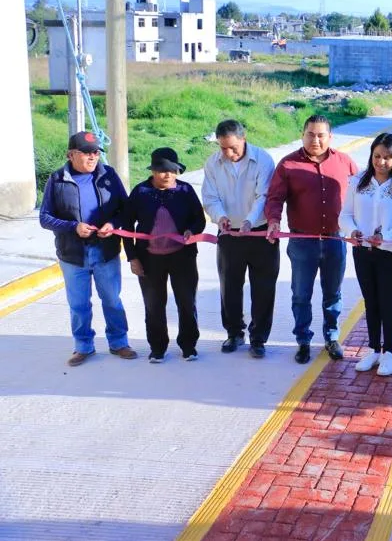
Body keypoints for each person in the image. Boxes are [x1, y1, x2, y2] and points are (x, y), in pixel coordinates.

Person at [266, 114, 359, 364]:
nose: (315, 140)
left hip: (335, 240)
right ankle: (303, 341)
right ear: (302, 134)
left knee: (333, 294)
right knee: (301, 294)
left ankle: (331, 337)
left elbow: (362, 194)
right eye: (310, 134)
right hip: (302, 242)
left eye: (321, 135)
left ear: (330, 137)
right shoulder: (288, 165)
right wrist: (273, 220)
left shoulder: (345, 162)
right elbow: (274, 198)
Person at [39, 131, 136, 367]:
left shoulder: (108, 175)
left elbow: (126, 210)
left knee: (112, 299)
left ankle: (119, 342)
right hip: (73, 255)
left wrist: (112, 224)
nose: (93, 157)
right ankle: (83, 346)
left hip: (105, 252)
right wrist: (73, 227)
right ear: (70, 155)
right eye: (86, 153)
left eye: (95, 152)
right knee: (79, 304)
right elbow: (45, 218)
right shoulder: (57, 179)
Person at [202, 119, 278, 359]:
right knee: (230, 286)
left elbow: (263, 195)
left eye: (233, 147)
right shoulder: (213, 164)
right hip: (229, 234)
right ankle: (234, 332)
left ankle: (258, 338)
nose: (228, 153)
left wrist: (249, 220)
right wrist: (220, 217)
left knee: (263, 288)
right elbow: (210, 197)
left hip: (260, 232)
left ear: (243, 139)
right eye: (222, 147)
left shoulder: (263, 160)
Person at [122, 148, 207, 363]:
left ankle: (189, 346)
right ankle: (158, 348)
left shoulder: (186, 191)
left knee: (187, 302)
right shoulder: (140, 192)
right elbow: (126, 225)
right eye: (161, 170)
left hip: (183, 258)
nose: (167, 175)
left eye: (172, 170)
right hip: (149, 259)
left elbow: (199, 219)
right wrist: (133, 257)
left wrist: (191, 231)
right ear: (153, 171)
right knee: (154, 305)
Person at [342, 133, 392, 377]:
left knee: (385, 301)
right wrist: (352, 231)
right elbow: (345, 214)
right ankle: (373, 349)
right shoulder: (358, 181)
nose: (381, 162)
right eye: (377, 156)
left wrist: (385, 237)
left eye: (387, 157)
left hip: (388, 253)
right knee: (370, 300)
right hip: (362, 251)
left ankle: (389, 352)